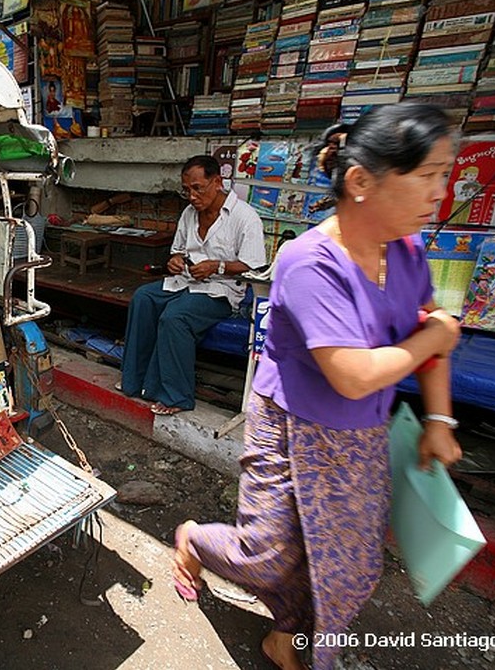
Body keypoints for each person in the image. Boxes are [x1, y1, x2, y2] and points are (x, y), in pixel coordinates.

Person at [172, 104, 463, 670]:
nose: (439, 192)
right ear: (361, 182)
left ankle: (288, 638)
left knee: (348, 565)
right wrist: (436, 338)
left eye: (443, 174)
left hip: (361, 436)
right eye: (426, 175)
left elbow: (430, 331)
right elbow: (355, 374)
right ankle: (194, 539)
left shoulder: (407, 251)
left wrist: (440, 419)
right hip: (291, 426)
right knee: (267, 556)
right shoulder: (307, 261)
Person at [120, 155, 266, 415]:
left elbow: (254, 266)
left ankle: (178, 396)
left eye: (198, 188)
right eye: (186, 190)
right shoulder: (189, 214)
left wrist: (216, 266)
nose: (192, 196)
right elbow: (177, 251)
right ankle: (136, 382)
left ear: (217, 182)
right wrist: (175, 261)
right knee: (143, 298)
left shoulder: (245, 217)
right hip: (185, 282)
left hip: (221, 291)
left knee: (175, 318)